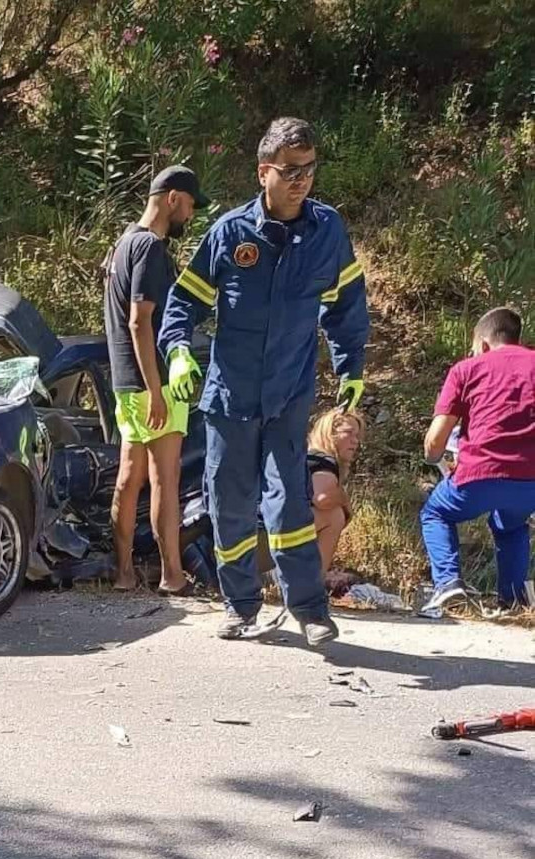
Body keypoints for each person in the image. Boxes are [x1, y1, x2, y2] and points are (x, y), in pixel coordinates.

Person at [159, 117, 369, 647]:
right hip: (231, 395)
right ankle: (240, 604)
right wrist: (179, 351)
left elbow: (347, 307)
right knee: (229, 501)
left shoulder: (328, 232)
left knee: (288, 504)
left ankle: (309, 608)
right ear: (263, 172)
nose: (301, 180)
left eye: (308, 169)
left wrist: (351, 368)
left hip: (287, 393)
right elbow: (182, 302)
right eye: (290, 170)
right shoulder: (231, 233)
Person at [102, 165, 208, 593]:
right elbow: (139, 321)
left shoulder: (122, 244)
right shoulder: (150, 249)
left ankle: (124, 574)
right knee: (165, 477)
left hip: (125, 380)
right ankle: (171, 575)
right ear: (173, 199)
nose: (190, 217)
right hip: (153, 381)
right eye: (190, 207)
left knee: (129, 477)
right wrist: (156, 390)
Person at [418, 306, 535, 615]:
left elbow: (435, 439)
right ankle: (513, 601)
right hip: (531, 480)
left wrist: (436, 460)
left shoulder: (466, 369)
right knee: (510, 525)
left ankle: (448, 584)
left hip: (479, 471)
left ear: (483, 344)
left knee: (436, 513)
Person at [307, 406, 365, 589]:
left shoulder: (306, 456)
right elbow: (322, 499)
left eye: (357, 436)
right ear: (329, 434)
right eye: (348, 433)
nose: (355, 442)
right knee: (334, 515)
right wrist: (344, 499)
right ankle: (312, 586)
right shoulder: (323, 460)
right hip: (269, 534)